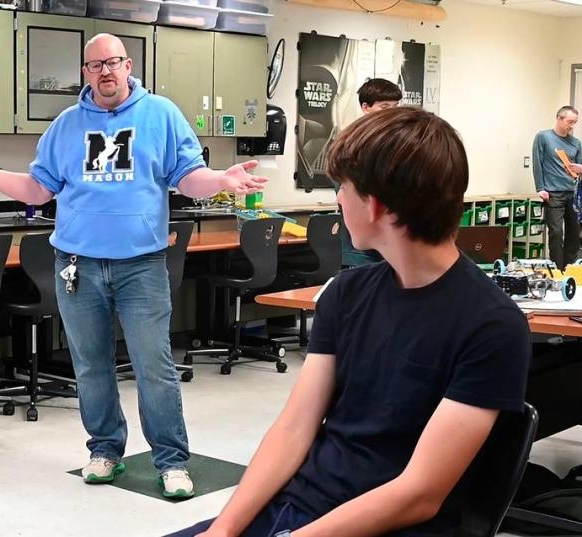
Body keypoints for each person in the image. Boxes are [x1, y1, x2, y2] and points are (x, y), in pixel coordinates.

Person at [168, 107, 532, 536]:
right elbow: (293, 430)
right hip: (300, 506)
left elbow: (419, 493)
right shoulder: (347, 293)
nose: (337, 199)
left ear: (375, 206)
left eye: (343, 187)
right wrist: (224, 530)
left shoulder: (492, 326)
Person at [0, 33, 266, 499]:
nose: (106, 72)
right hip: (78, 266)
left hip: (141, 266)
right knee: (91, 366)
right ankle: (105, 450)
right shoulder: (68, 125)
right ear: (85, 73)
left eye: (113, 62)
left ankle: (171, 460)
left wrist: (220, 179)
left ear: (128, 65)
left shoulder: (161, 115)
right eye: (96, 65)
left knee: (154, 367)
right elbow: (39, 189)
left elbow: (188, 177)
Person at [337, 78, 403, 268]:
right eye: (384, 106)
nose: (391, 112)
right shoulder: (351, 142)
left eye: (395, 106)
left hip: (393, 243)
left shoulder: (396, 141)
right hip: (362, 248)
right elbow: (349, 195)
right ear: (366, 107)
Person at [533, 105, 582, 269]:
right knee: (556, 233)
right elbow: (537, 162)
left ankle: (568, 269)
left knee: (574, 235)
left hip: (573, 194)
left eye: (575, 122)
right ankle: (557, 270)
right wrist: (540, 187)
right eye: (570, 121)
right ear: (559, 118)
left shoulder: (576, 143)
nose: (572, 126)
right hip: (553, 193)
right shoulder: (543, 137)